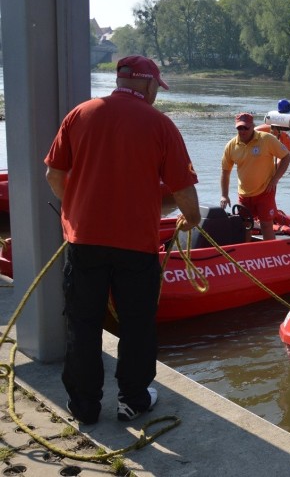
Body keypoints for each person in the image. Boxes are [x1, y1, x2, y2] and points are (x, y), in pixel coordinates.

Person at [44, 55, 201, 425]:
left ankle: (84, 406)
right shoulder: (160, 124)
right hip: (136, 247)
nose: (156, 95)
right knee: (136, 324)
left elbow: (54, 174)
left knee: (82, 324)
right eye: (156, 88)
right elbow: (184, 192)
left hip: (84, 242)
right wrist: (190, 220)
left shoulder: (80, 114)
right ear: (147, 85)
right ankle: (132, 400)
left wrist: (78, 205)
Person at [220, 113, 290, 240]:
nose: (242, 131)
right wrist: (224, 195)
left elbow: (286, 157)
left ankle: (270, 255)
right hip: (244, 194)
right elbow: (225, 171)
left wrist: (275, 179)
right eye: (239, 128)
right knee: (245, 225)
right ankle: (246, 253)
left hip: (265, 191)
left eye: (245, 128)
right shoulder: (231, 146)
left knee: (266, 225)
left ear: (252, 126)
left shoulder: (267, 139)